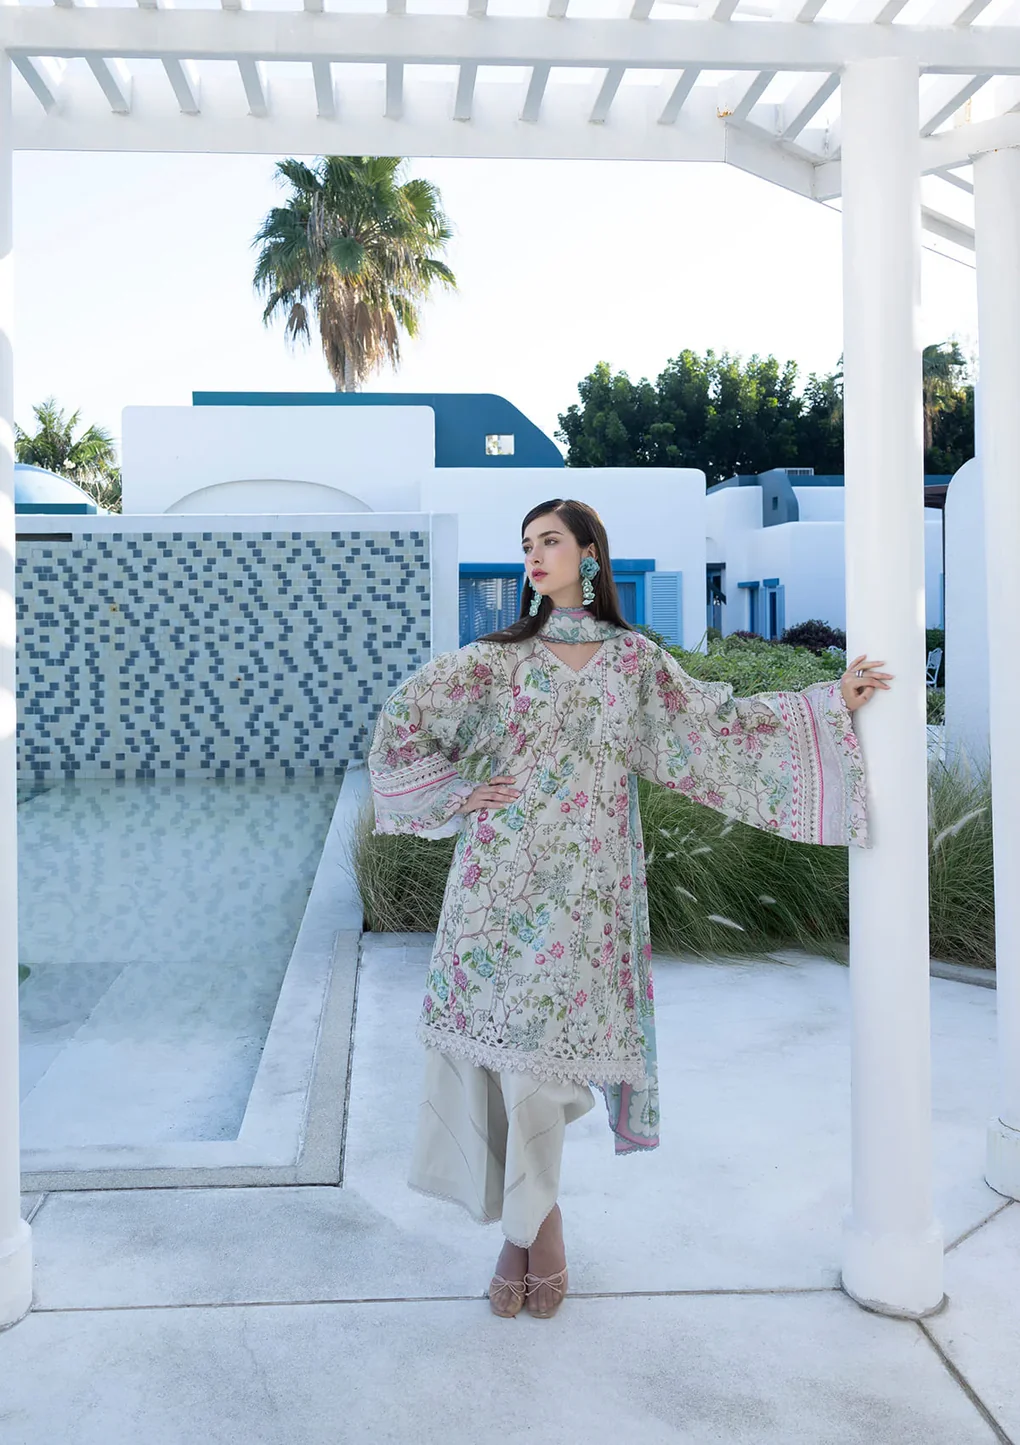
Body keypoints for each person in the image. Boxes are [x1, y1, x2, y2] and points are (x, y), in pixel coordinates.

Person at [368, 498, 889, 1321]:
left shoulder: (634, 662)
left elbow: (717, 726)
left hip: (591, 893)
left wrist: (830, 702)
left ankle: (526, 1233)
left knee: (547, 1067)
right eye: (526, 544)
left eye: (550, 541)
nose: (535, 555)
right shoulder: (497, 661)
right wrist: (462, 794)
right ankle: (535, 1231)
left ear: (589, 554)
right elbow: (403, 720)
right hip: (498, 886)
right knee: (513, 1061)